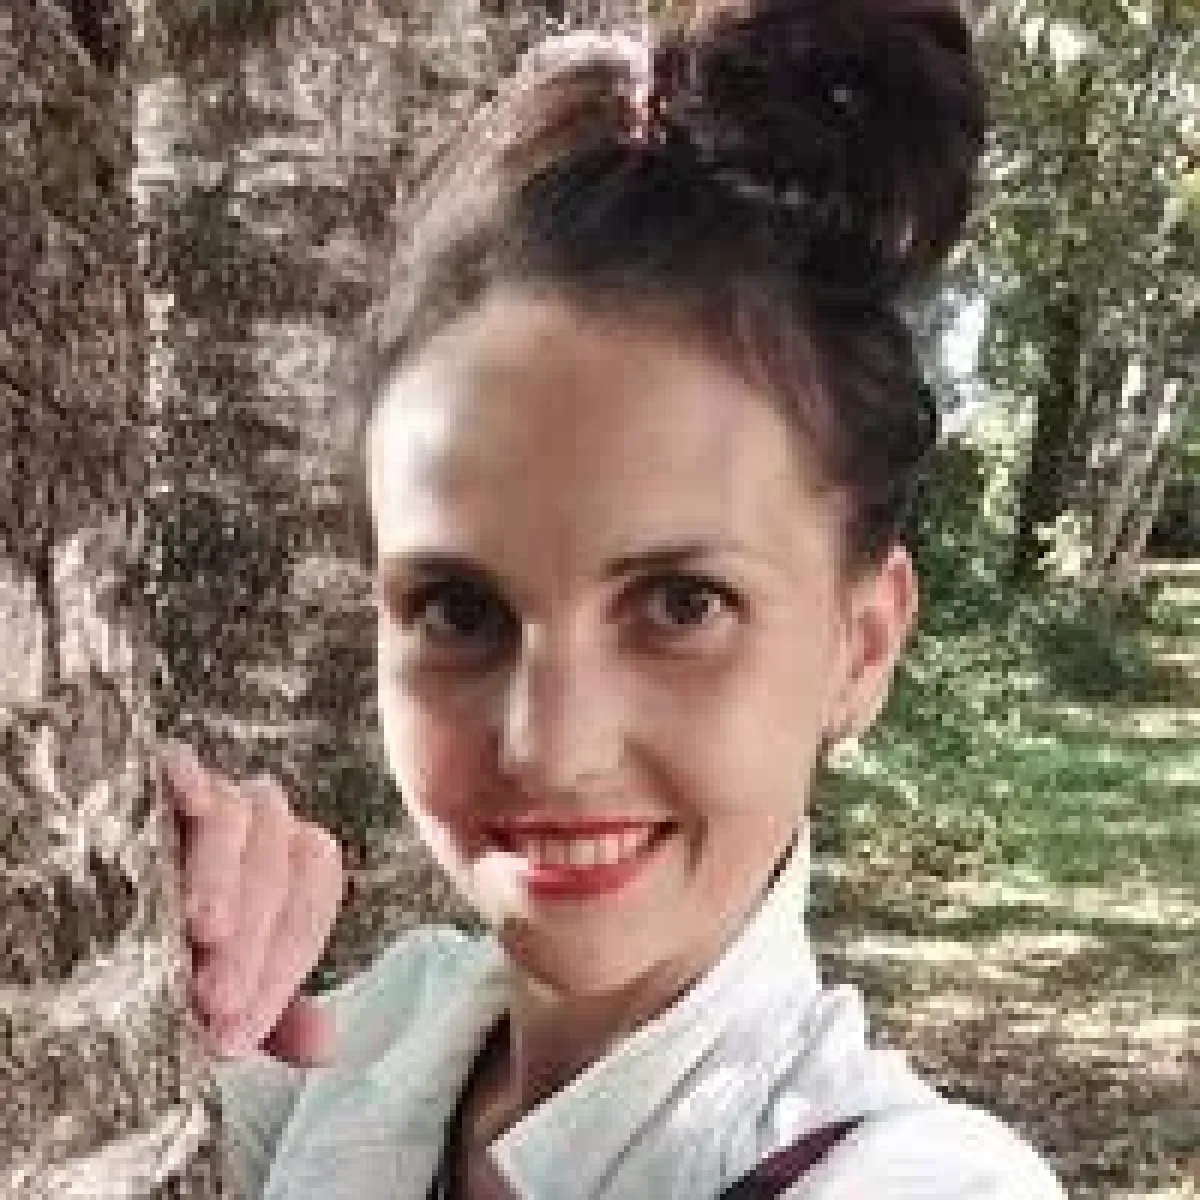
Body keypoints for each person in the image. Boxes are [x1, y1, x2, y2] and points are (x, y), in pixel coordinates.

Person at [162, 2, 1069, 1196]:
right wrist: (134, 898)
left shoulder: (914, 1180)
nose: (552, 747)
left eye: (681, 605)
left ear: (863, 642)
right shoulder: (367, 1045)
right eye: (459, 611)